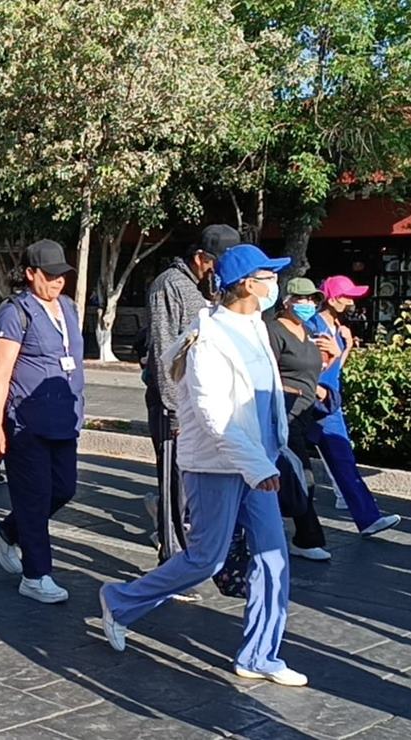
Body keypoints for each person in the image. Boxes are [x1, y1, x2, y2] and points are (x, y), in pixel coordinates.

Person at [100, 244, 307, 688]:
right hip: (217, 466)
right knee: (205, 560)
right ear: (249, 284)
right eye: (269, 276)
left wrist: (270, 455)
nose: (276, 284)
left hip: (258, 464)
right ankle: (119, 601)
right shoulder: (207, 340)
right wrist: (257, 465)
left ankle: (260, 654)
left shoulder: (256, 327)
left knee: (273, 558)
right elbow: (216, 418)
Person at [0, 239, 84, 604]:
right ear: (30, 274)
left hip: (64, 420)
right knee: (34, 495)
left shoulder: (68, 307)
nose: (58, 281)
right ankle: (36, 575)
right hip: (26, 423)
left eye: (62, 275)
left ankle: (7, 531)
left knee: (64, 488)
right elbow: (0, 373)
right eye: (50, 275)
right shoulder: (16, 312)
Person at [145, 224, 238, 570]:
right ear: (201, 258)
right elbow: (163, 350)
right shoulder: (170, 286)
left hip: (196, 403)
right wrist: (174, 408)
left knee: (185, 481)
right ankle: (170, 556)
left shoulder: (203, 289)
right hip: (174, 406)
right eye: (218, 262)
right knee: (172, 480)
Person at [305, 275, 400, 537]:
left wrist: (343, 349)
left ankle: (368, 519)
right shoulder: (314, 327)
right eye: (347, 297)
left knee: (343, 459)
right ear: (333, 299)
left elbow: (335, 366)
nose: (351, 302)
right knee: (294, 464)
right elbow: (311, 366)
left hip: (329, 402)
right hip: (313, 403)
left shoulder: (335, 327)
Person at [266, 278, 338, 561]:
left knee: (290, 477)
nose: (308, 304)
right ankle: (307, 538)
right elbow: (264, 373)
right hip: (285, 415)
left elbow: (314, 369)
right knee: (302, 477)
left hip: (306, 414)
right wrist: (288, 390)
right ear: (286, 300)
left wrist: (333, 356)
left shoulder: (307, 331)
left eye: (312, 300)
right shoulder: (273, 331)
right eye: (302, 298)